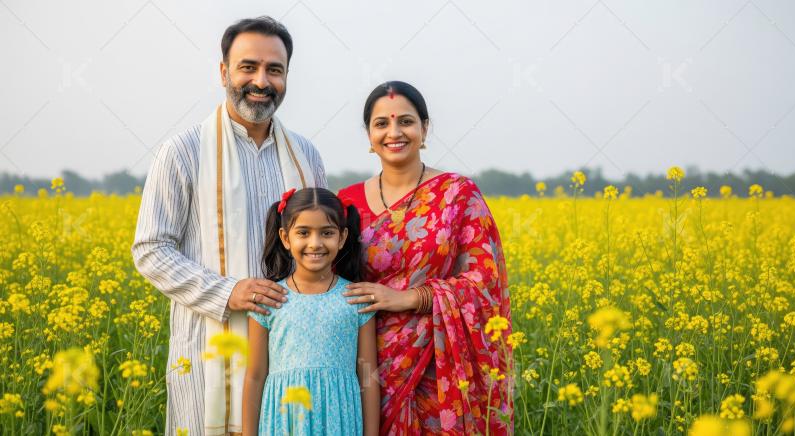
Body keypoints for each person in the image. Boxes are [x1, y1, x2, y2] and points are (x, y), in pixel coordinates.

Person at [131, 16, 326, 435]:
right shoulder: (183, 152)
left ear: (287, 76)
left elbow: (324, 247)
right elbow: (150, 249)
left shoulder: (306, 156)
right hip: (210, 345)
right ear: (224, 72)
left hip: (293, 356)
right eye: (248, 67)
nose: (261, 80)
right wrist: (229, 291)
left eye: (274, 70)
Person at [338, 81, 514, 435]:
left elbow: (486, 282)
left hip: (442, 364)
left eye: (406, 121)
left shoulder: (457, 194)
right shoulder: (347, 201)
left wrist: (411, 298)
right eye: (381, 124)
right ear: (369, 135)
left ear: (424, 128)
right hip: (369, 364)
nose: (394, 132)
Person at [242, 187, 379, 436]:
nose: (315, 243)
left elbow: (369, 378)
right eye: (303, 233)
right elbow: (255, 376)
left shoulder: (356, 299)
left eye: (326, 233)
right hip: (284, 422)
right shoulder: (269, 299)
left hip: (341, 421)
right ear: (285, 238)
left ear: (342, 237)